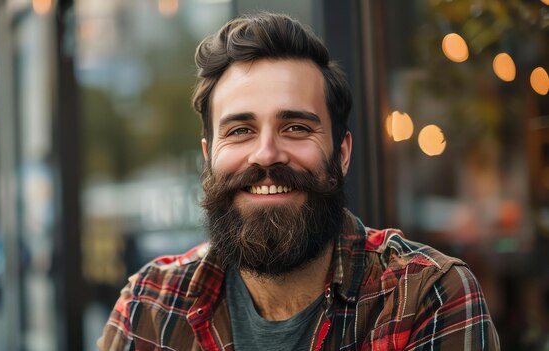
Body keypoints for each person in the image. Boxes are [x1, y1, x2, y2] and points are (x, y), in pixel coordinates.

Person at [98, 12, 499, 351]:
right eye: (240, 131)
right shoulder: (150, 305)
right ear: (208, 158)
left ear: (341, 154)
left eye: (295, 127)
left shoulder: (424, 296)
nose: (267, 153)